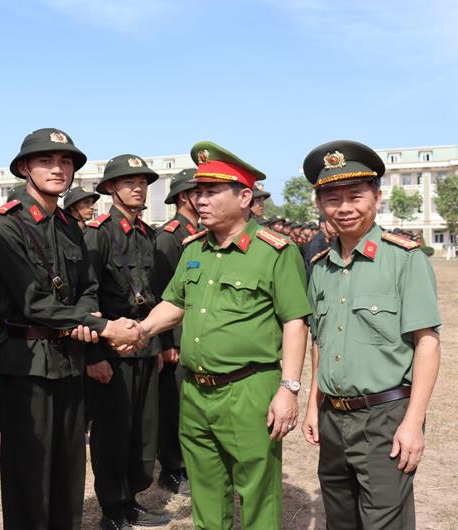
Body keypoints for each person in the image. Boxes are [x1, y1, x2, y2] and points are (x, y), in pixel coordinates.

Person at [126, 141, 311, 529]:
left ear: (244, 198)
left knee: (258, 494)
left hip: (249, 390)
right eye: (199, 192)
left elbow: (295, 322)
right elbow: (175, 303)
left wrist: (289, 389)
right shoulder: (195, 249)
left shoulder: (275, 251)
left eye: (212, 192)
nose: (200, 200)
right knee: (207, 492)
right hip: (195, 391)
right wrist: (141, 330)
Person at [0, 128, 140, 530]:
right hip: (28, 363)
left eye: (66, 162)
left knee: (69, 470)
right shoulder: (5, 227)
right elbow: (33, 301)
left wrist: (84, 323)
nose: (58, 169)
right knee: (29, 472)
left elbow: (88, 286)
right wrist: (101, 326)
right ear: (24, 168)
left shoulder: (70, 226)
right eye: (46, 161)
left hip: (69, 358)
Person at [300, 140, 441, 529]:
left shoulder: (405, 259)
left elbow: (427, 344)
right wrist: (312, 405)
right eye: (332, 199)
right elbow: (320, 341)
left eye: (355, 196)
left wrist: (413, 423)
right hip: (332, 416)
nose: (344, 208)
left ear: (377, 197)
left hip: (385, 417)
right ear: (320, 205)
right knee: (340, 519)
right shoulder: (321, 267)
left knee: (384, 520)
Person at [84, 154, 170, 529]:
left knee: (142, 430)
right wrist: (93, 356)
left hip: (145, 346)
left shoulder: (148, 234)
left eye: (143, 182)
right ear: (110, 188)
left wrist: (159, 344)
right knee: (112, 433)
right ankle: (112, 509)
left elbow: (157, 295)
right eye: (129, 182)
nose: (138, 188)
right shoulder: (98, 233)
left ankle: (132, 498)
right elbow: (86, 297)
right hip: (112, 351)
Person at [152, 167, 199, 496]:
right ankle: (171, 468)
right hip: (175, 338)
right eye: (200, 192)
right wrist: (166, 342)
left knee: (190, 406)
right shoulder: (170, 236)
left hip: (194, 336)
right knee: (173, 406)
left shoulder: (200, 233)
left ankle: (189, 464)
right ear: (184, 196)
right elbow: (161, 294)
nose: (206, 198)